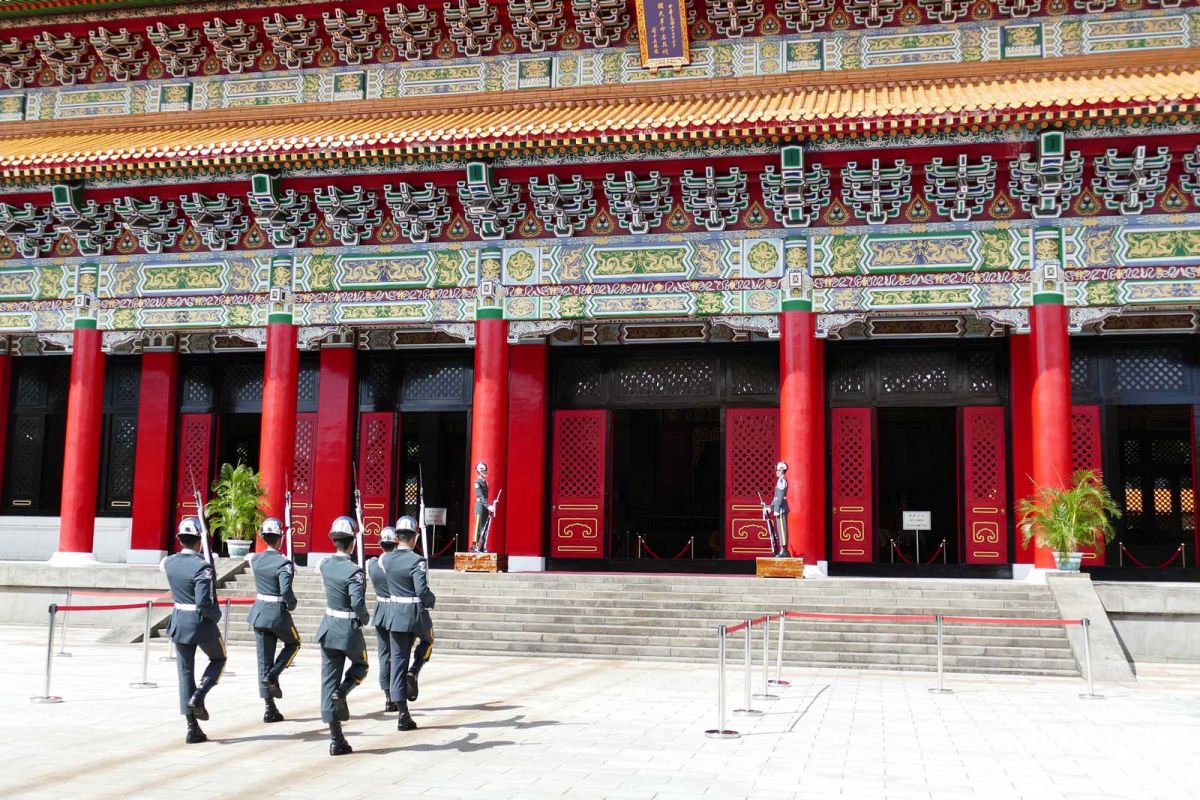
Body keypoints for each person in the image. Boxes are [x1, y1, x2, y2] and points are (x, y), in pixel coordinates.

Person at [161, 516, 227, 744]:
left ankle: (192, 727)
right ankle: (199, 695)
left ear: (180, 539)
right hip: (200, 622)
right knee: (219, 658)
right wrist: (217, 615)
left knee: (185, 673)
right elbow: (203, 602)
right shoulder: (202, 566)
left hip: (179, 620)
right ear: (200, 541)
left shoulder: (168, 562)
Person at [315, 515, 370, 756]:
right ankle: (343, 691)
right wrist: (366, 618)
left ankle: (336, 739)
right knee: (361, 665)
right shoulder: (354, 571)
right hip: (348, 629)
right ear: (352, 543)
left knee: (328, 681)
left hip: (328, 627)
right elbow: (357, 602)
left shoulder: (325, 565)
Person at [382, 515, 436, 731]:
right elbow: (421, 590)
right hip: (415, 613)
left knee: (397, 662)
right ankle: (415, 669)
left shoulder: (386, 560)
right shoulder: (417, 561)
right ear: (414, 537)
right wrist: (431, 600)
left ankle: (403, 714)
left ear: (397, 537)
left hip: (395, 614)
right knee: (428, 640)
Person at [245, 517, 299, 723]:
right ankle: (273, 674)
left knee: (263, 661)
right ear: (280, 539)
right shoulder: (284, 563)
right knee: (293, 643)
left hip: (259, 612)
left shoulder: (255, 560)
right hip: (277, 613)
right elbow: (286, 590)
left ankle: (269, 708)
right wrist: (292, 604)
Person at [367, 525, 397, 712]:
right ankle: (396, 692)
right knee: (398, 654)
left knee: (384, 654)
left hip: (380, 610)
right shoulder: (398, 565)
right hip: (397, 610)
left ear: (380, 544)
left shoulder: (372, 564)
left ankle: (387, 696)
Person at [469, 461, 495, 553]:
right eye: (481, 468)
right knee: (478, 527)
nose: (483, 470)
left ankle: (482, 546)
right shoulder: (477, 482)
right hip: (480, 507)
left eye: (484, 468)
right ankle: (474, 546)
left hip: (484, 507)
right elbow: (480, 496)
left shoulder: (485, 482)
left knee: (485, 527)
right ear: (477, 470)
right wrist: (488, 506)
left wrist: (492, 504)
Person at [770, 461, 790, 558]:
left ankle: (784, 550)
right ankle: (783, 550)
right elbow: (776, 498)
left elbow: (781, 497)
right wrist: (771, 507)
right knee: (780, 528)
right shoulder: (780, 480)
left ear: (781, 470)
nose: (776, 472)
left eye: (777, 470)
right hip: (779, 508)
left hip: (781, 509)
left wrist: (777, 509)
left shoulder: (782, 480)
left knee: (782, 529)